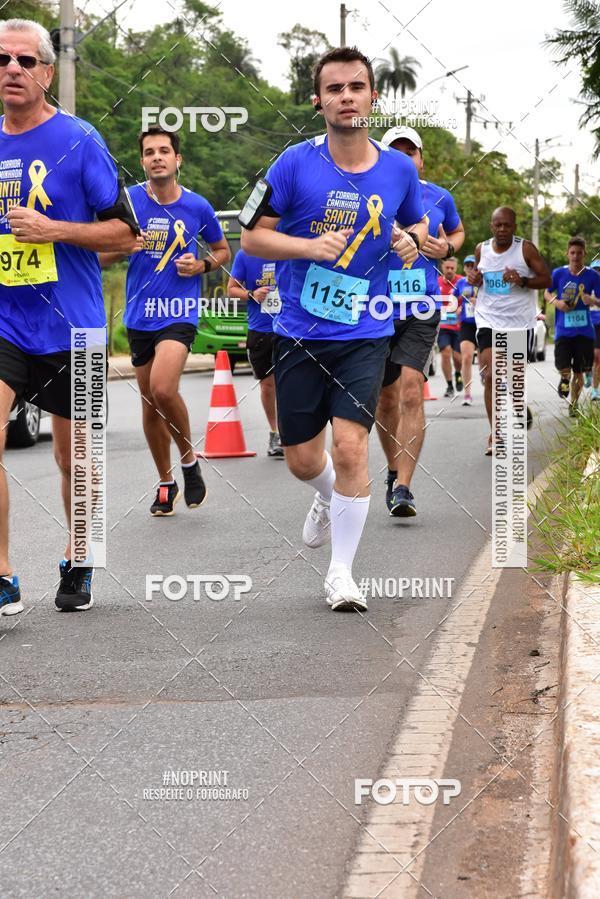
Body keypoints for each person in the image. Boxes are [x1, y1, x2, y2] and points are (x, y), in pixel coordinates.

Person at [240, 47, 427, 611]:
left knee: (351, 449)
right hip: (299, 328)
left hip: (365, 330)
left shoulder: (397, 168)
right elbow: (251, 239)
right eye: (335, 89)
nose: (347, 97)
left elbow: (415, 221)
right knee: (303, 459)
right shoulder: (293, 164)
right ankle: (326, 497)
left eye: (357, 87)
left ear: (373, 97)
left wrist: (411, 241)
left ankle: (341, 574)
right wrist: (306, 246)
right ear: (318, 100)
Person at [0, 18, 138, 616]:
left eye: (25, 61)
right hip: (6, 320)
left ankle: (81, 555)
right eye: (2, 59)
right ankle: (3, 573)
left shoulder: (80, 140)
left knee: (74, 456)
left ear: (47, 72)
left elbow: (127, 233)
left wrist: (53, 229)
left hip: (73, 323)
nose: (12, 69)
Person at [100, 127, 230, 515]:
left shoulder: (198, 207)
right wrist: (122, 247)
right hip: (140, 315)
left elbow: (222, 249)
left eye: (164, 151)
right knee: (149, 405)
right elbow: (103, 254)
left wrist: (203, 264)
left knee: (162, 388)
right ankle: (165, 481)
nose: (157, 157)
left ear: (178, 160)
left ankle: (189, 462)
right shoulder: (128, 202)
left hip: (179, 313)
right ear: (141, 161)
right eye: (149, 152)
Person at [375, 125, 464, 516]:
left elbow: (457, 232)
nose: (405, 157)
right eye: (396, 150)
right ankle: (394, 471)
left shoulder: (439, 196)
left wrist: (446, 245)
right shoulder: (369, 194)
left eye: (411, 151)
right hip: (376, 308)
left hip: (421, 307)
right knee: (385, 398)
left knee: (411, 390)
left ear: (421, 159)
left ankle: (405, 489)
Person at [467, 207, 551, 454]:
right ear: (491, 226)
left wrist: (522, 280)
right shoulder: (481, 249)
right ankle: (496, 433)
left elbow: (546, 280)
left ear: (514, 227)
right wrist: (476, 280)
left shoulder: (525, 249)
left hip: (518, 323)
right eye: (498, 225)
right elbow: (480, 279)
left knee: (514, 380)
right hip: (488, 319)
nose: (502, 229)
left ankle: (518, 404)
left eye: (507, 225)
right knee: (491, 375)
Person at [227, 249, 284, 457]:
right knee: (268, 385)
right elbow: (231, 289)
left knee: (292, 382)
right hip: (260, 330)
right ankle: (275, 432)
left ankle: (293, 432)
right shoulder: (245, 255)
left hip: (290, 329)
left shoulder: (290, 246)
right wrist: (251, 294)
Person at [543, 237, 600, 416]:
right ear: (567, 254)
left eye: (579, 253)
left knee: (580, 371)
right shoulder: (559, 273)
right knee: (564, 366)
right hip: (563, 331)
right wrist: (557, 303)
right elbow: (546, 292)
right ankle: (564, 379)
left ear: (585, 254)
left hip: (585, 332)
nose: (576, 256)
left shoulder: (592, 276)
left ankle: (574, 404)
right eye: (572, 253)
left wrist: (593, 300)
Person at [454, 254, 478, 406]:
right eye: (468, 266)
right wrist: (456, 307)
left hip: (483, 324)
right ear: (464, 268)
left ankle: (485, 377)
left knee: (485, 361)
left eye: (473, 266)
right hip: (467, 324)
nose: (470, 269)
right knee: (467, 357)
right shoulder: (460, 283)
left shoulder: (483, 283)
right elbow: (451, 300)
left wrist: (479, 301)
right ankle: (467, 394)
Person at [437, 257, 463, 397]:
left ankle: (458, 373)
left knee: (458, 358)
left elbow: (469, 300)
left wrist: (460, 309)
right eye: (447, 268)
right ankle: (449, 385)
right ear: (443, 267)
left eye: (452, 268)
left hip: (458, 326)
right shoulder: (437, 282)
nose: (450, 271)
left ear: (456, 268)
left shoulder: (461, 282)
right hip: (443, 325)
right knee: (445, 353)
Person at [590, 258, 600, 401]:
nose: (597, 273)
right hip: (586, 324)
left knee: (598, 358)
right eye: (595, 270)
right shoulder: (584, 284)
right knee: (590, 358)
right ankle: (586, 372)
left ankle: (594, 390)